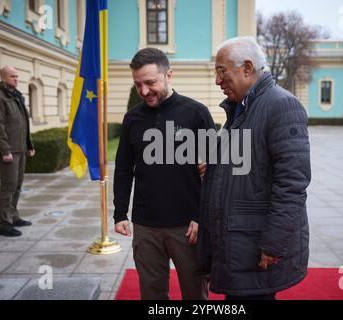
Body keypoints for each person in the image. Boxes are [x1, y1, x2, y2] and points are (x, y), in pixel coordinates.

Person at [196, 37, 311, 300]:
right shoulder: (242, 108)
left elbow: (293, 184)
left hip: (254, 244)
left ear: (247, 68)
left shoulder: (282, 105)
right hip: (238, 243)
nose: (217, 80)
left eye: (221, 71)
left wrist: (273, 244)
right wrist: (214, 169)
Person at [113, 48, 214, 300]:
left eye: (150, 82)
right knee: (152, 295)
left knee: (195, 295)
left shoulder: (196, 113)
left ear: (169, 75)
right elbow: (124, 168)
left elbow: (216, 173)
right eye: (138, 85)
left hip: (187, 226)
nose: (144, 91)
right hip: (145, 226)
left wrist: (202, 217)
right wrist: (119, 213)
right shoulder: (132, 118)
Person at [0, 66, 35, 237]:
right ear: (3, 77)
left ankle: (13, 216)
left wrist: (29, 145)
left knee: (17, 185)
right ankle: (4, 224)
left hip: (20, 148)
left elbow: (23, 123)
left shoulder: (15, 96)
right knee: (8, 187)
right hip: (9, 151)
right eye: (12, 76)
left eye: (17, 76)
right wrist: (5, 150)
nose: (16, 79)